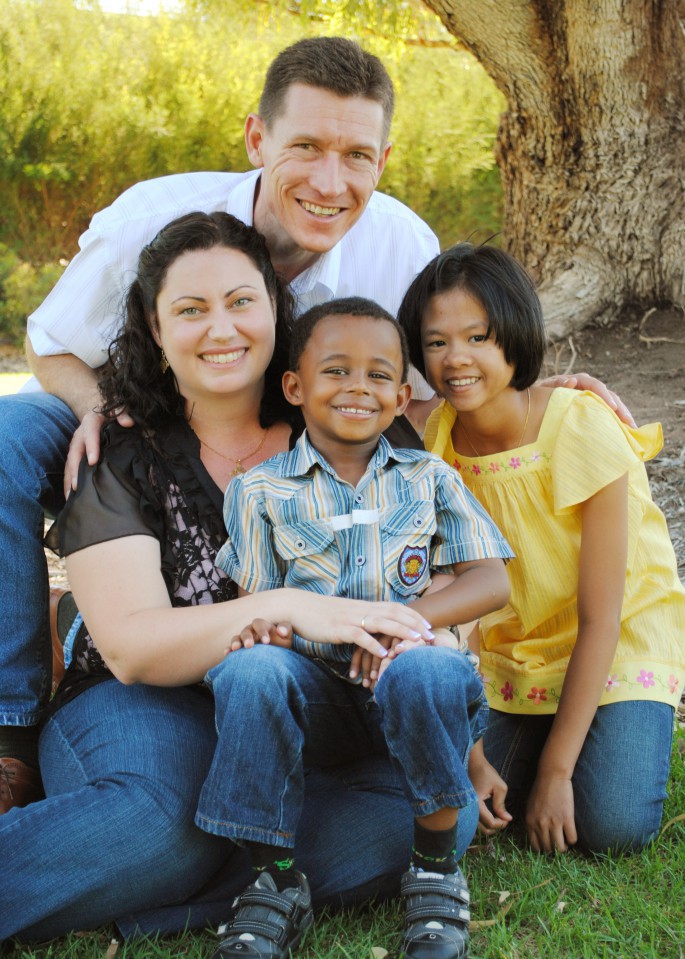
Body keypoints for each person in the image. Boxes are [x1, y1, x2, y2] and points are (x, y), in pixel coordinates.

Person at [0, 35, 627, 808]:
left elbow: (425, 388)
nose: (331, 182)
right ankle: (13, 726)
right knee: (5, 441)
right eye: (305, 147)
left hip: (284, 446)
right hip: (127, 405)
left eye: (356, 155)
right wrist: (102, 408)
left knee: (382, 813)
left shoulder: (398, 245)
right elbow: (51, 340)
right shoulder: (153, 218)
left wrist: (526, 392)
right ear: (257, 139)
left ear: (383, 159)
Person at [0, 212, 445, 943]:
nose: (221, 329)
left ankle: (169, 907)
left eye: (241, 301)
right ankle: (177, 863)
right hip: (143, 704)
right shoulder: (123, 456)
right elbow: (135, 651)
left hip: (303, 709)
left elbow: (430, 576)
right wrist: (290, 605)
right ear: (154, 326)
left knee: (410, 819)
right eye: (190, 310)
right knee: (165, 822)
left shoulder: (354, 423)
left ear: (276, 307)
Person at [195, 297, 513, 959]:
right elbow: (260, 603)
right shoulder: (259, 492)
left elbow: (490, 580)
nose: (357, 389)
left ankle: (433, 873)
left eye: (377, 376)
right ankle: (274, 882)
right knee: (249, 671)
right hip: (318, 702)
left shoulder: (427, 479)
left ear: (402, 394)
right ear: (295, 387)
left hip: (409, 689)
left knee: (425, 669)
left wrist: (405, 624)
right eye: (335, 371)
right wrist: (268, 628)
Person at [397, 242, 685, 856]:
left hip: (615, 639)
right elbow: (457, 610)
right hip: (510, 654)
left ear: (514, 332)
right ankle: (539, 742)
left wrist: (556, 774)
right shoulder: (431, 443)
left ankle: (573, 746)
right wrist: (472, 759)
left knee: (612, 828)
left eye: (478, 336)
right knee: (460, 808)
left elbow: (602, 616)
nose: (456, 360)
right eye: (436, 342)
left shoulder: (579, 425)